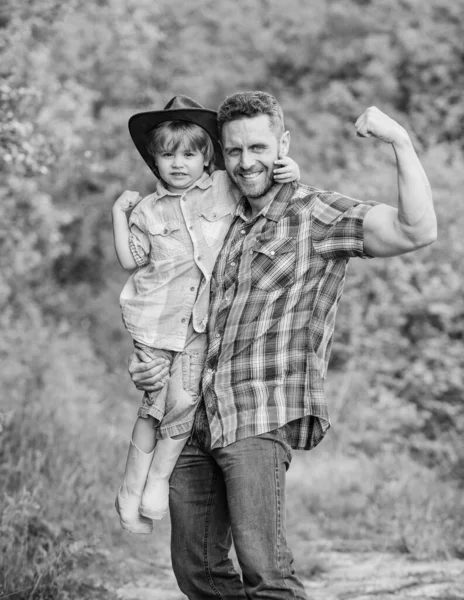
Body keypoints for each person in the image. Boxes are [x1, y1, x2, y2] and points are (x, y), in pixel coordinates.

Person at [129, 91, 436, 599]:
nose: (247, 162)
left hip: (256, 414)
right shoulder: (215, 219)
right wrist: (148, 368)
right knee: (197, 574)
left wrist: (399, 140)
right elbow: (171, 307)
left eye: (258, 147)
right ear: (222, 157)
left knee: (267, 575)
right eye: (234, 151)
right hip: (191, 417)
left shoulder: (313, 215)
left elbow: (416, 230)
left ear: (283, 145)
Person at [111, 95, 300, 535]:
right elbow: (130, 260)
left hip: (200, 322)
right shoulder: (146, 210)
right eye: (168, 155)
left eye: (190, 154)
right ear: (154, 160)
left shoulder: (223, 188)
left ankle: (156, 481)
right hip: (153, 321)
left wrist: (292, 170)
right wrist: (118, 214)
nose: (179, 164)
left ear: (206, 157)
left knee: (182, 401)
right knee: (151, 405)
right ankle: (129, 489)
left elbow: (264, 184)